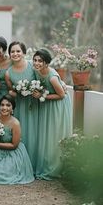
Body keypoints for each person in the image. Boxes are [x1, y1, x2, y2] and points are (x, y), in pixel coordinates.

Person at [32, 48, 72, 180]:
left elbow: (61, 95)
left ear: (46, 63)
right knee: (45, 134)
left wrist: (42, 95)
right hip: (47, 105)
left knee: (54, 135)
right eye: (35, 60)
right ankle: (45, 163)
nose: (37, 63)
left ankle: (56, 166)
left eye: (40, 61)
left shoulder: (52, 77)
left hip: (57, 106)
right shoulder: (37, 72)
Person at [5, 41, 39, 171]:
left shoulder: (32, 66)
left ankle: (34, 165)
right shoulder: (9, 73)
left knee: (34, 134)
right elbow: (11, 91)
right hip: (19, 107)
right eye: (12, 51)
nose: (15, 54)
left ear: (24, 53)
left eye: (18, 51)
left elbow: (42, 80)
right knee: (21, 134)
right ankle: (22, 165)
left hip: (33, 106)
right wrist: (14, 92)